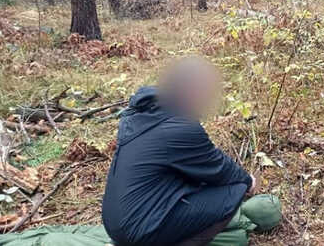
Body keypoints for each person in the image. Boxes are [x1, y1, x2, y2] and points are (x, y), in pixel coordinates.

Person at [102, 57, 279, 246]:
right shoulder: (180, 127)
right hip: (137, 229)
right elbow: (218, 167)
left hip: (114, 224)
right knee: (233, 192)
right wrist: (247, 181)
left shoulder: (141, 117)